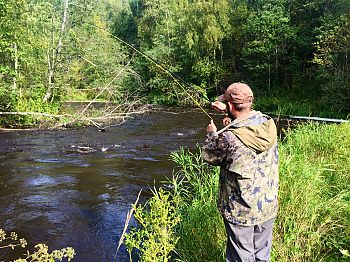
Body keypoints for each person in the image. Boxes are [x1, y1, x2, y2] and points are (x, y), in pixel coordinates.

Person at [202, 82, 279, 262]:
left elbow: (209, 157)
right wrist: (230, 115)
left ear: (230, 105)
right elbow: (248, 120)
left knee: (241, 257)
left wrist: (211, 134)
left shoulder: (228, 138)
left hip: (241, 210)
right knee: (262, 255)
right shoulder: (268, 123)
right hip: (267, 205)